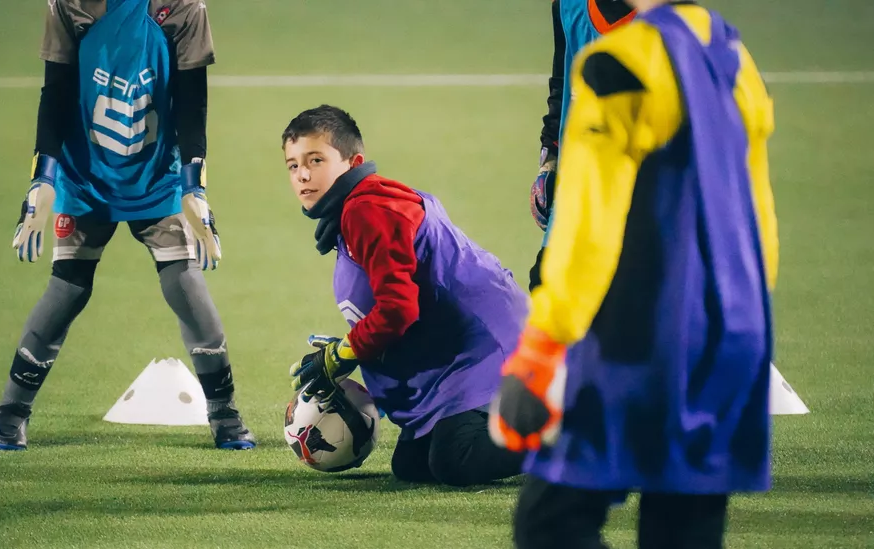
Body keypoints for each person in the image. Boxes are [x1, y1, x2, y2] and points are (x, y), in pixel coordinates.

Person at [491, 0, 779, 547]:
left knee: (548, 523)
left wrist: (542, 344)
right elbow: (756, 216)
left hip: (640, 340)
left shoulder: (618, 65)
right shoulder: (736, 57)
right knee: (682, 530)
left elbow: (588, 230)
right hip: (731, 333)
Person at [0, 0, 255, 451]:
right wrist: (42, 180)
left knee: (185, 286)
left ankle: (224, 414)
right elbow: (55, 94)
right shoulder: (68, 6)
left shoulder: (185, 9)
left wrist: (195, 186)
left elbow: (192, 101)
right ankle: (10, 413)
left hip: (157, 177)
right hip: (84, 176)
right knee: (67, 290)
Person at [282, 105, 527, 487]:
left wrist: (345, 352)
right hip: (457, 347)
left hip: (487, 343)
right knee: (412, 465)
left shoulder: (368, 210)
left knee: (455, 459)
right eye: (293, 166)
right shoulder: (354, 212)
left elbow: (398, 309)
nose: (303, 175)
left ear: (353, 162)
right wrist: (353, 348)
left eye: (316, 160)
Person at [529, 0, 636, 290]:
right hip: (577, 189)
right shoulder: (568, 6)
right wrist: (549, 160)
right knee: (545, 285)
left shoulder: (670, 25)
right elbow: (562, 82)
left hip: (641, 198)